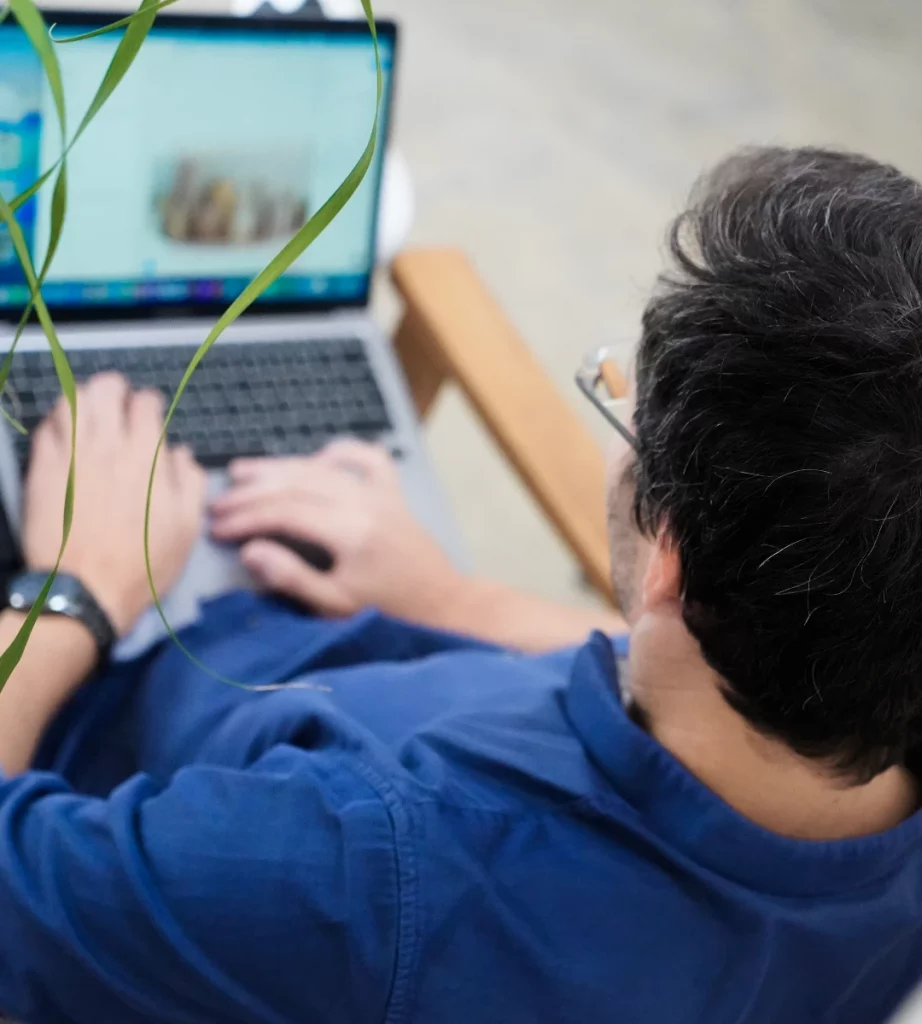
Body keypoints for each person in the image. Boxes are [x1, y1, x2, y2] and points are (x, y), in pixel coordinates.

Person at [2, 145, 922, 1024]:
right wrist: (452, 602)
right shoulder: (862, 727)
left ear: (669, 560)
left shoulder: (365, 876)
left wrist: (73, 587)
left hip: (91, 728)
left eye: (628, 408)